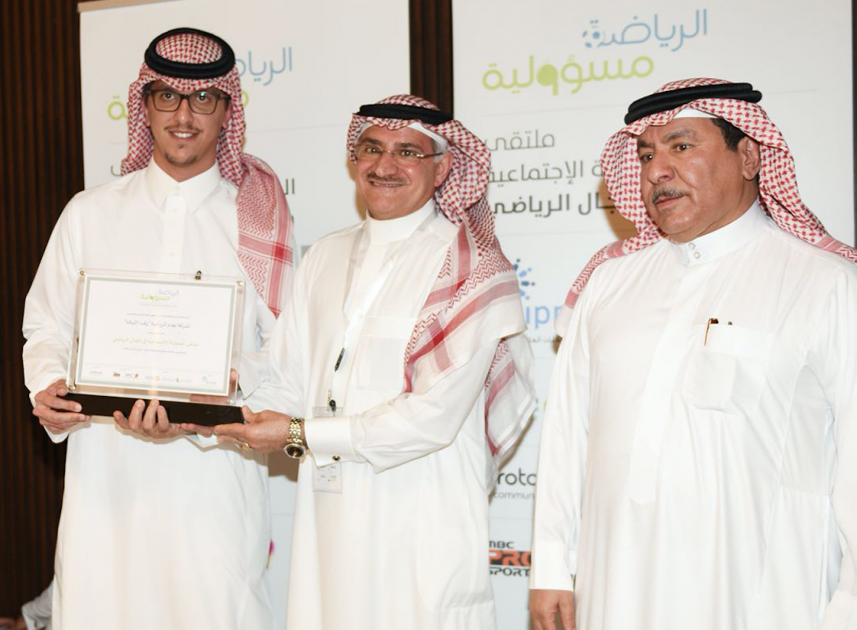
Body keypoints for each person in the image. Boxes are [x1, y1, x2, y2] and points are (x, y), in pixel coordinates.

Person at [529, 78, 857, 630]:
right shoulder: (608, 283)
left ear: (749, 156)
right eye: (646, 155)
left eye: (681, 146)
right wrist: (551, 567)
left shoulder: (825, 283)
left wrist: (848, 607)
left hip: (760, 599)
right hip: (614, 591)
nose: (657, 170)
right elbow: (567, 436)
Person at [210, 95, 536, 629]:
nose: (385, 166)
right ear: (354, 159)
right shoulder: (325, 255)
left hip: (421, 516)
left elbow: (432, 418)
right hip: (330, 517)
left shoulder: (474, 267)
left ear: (442, 168)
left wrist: (298, 434)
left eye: (407, 152)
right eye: (372, 149)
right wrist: (211, 390)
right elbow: (288, 379)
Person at [22, 28, 294, 630]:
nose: (183, 116)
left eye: (203, 99)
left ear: (227, 111)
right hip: (105, 479)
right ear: (143, 105)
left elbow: (289, 352)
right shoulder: (89, 212)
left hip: (214, 484)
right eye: (167, 96)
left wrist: (223, 382)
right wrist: (49, 387)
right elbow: (44, 326)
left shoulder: (257, 221)